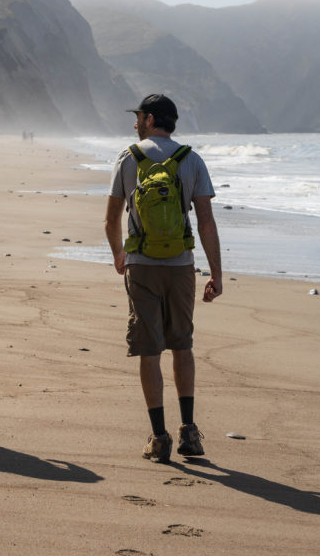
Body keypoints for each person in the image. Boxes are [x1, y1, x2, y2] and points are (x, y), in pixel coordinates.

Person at [104, 93, 223, 463]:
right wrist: (216, 274)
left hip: (142, 265)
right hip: (181, 265)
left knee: (149, 349)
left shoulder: (128, 158)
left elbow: (110, 219)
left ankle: (159, 437)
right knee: (182, 345)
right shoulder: (192, 160)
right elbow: (205, 222)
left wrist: (119, 255)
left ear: (150, 119)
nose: (135, 123)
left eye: (138, 116)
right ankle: (190, 432)